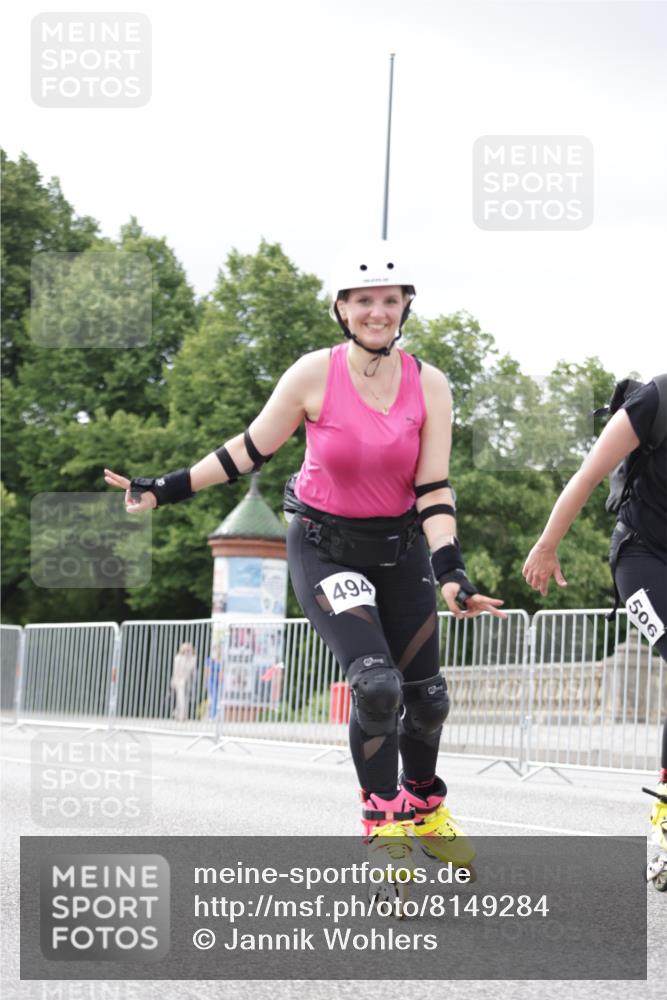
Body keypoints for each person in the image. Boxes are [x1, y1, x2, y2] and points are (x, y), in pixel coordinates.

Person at [104, 240, 505, 872]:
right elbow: (248, 451)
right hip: (326, 547)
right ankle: (382, 823)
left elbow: (433, 487)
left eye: (390, 301)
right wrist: (165, 487)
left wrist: (450, 570)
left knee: (428, 699)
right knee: (376, 687)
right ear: (342, 309)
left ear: (405, 309)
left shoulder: (429, 384)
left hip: (399, 550)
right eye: (364, 301)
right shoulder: (314, 374)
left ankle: (425, 807)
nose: (378, 312)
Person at [522, 374, 667, 889]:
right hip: (642, 559)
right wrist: (546, 545)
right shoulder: (657, 399)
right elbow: (586, 475)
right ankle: (666, 817)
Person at [170, 641, 196, 721]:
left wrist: (189, 658)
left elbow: (192, 670)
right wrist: (174, 681)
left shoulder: (193, 659)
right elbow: (175, 671)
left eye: (189, 650)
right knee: (181, 698)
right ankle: (182, 716)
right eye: (186, 650)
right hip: (179, 680)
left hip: (187, 681)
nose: (187, 652)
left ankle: (177, 714)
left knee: (185, 698)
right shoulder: (178, 658)